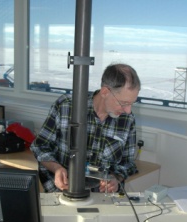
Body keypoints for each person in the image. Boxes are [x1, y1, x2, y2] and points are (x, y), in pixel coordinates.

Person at [31, 63, 141, 193]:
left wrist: (115, 178)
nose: (128, 111)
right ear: (105, 92)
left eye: (132, 103)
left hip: (102, 198)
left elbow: (128, 163)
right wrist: (57, 169)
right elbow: (40, 147)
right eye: (124, 103)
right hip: (62, 192)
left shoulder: (127, 120)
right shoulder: (66, 107)